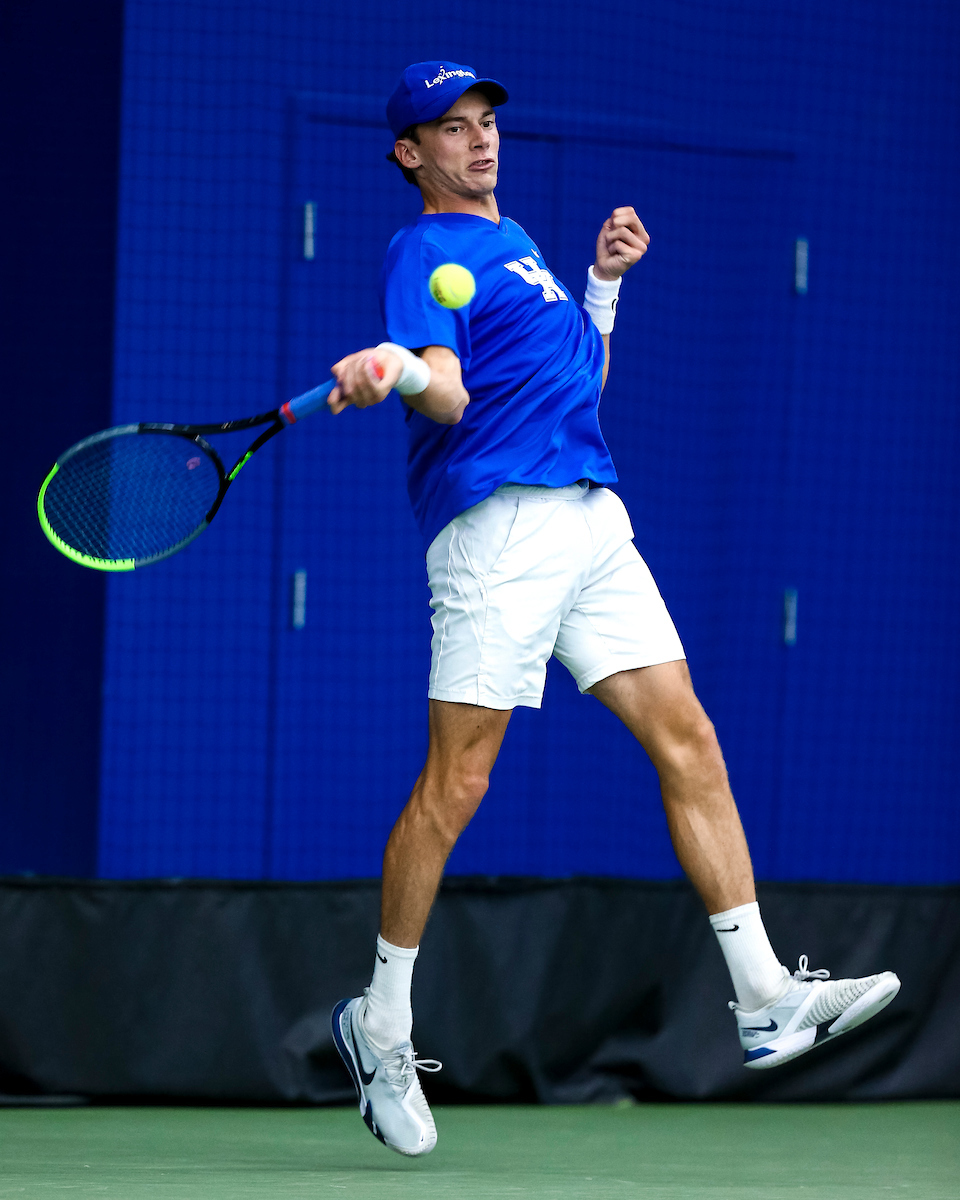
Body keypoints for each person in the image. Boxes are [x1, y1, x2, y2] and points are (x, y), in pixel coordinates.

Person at [326, 61, 900, 1156]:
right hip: (498, 528)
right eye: (452, 128)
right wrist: (399, 367)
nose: (481, 139)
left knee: (690, 738)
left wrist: (601, 283)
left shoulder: (518, 244)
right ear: (410, 153)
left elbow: (574, 385)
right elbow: (448, 393)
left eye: (486, 121)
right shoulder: (423, 249)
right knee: (458, 784)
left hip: (593, 518)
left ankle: (765, 997)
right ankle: (381, 1023)